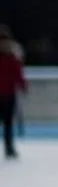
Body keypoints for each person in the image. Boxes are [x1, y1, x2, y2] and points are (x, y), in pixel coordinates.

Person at [0, 25, 24, 159]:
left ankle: (9, 148)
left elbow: (17, 73)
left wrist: (22, 85)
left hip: (9, 95)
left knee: (8, 124)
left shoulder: (12, 58)